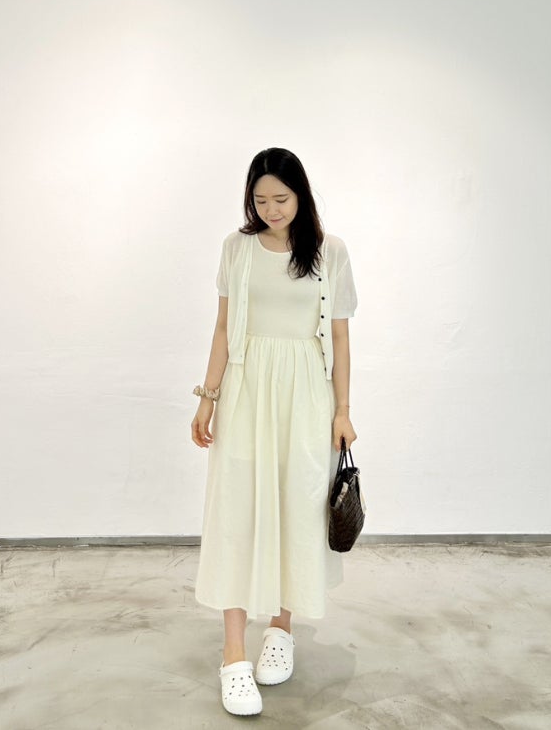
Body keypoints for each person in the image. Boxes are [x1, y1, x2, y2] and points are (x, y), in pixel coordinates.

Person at [190, 147, 359, 717]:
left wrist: (343, 410)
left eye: (281, 199)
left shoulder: (330, 253)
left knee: (296, 506)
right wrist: (207, 397)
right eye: (260, 200)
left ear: (301, 195)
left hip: (306, 392)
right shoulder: (236, 249)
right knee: (236, 510)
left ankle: (281, 628)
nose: (271, 209)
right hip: (245, 388)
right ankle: (232, 654)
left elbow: (339, 337)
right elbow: (222, 328)